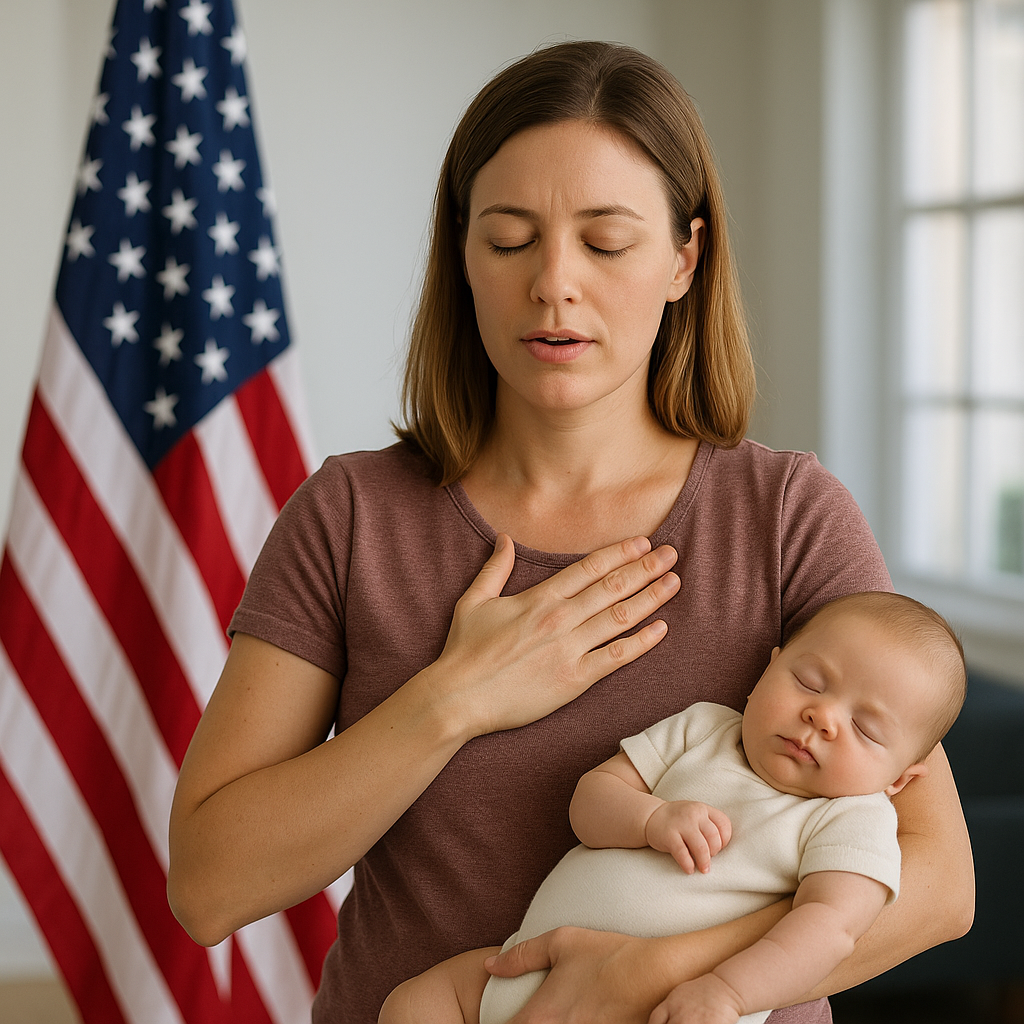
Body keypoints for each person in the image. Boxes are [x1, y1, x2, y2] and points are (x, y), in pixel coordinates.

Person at [166, 41, 974, 1024]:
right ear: (462, 255)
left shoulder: (787, 516)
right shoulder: (350, 514)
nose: (553, 283)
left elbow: (938, 885)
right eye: (510, 240)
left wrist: (646, 975)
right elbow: (208, 885)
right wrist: (453, 700)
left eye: (606, 242)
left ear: (684, 258)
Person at [378, 591, 967, 1024]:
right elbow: (590, 801)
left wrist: (729, 992)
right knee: (414, 1004)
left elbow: (831, 928)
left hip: (668, 1006)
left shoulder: (852, 818)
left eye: (865, 729)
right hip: (521, 970)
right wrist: (650, 818)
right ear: (769, 666)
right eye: (810, 682)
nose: (824, 716)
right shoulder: (704, 729)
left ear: (901, 779)